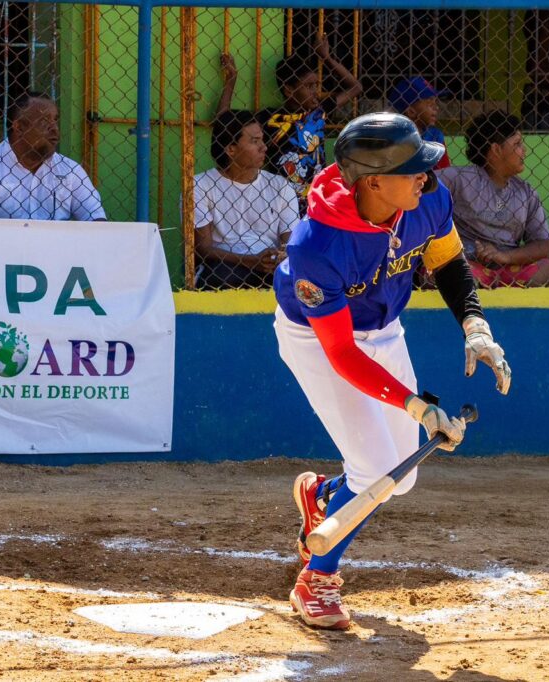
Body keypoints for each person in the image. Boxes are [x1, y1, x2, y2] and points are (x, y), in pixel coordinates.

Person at [273, 112, 512, 630]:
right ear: (373, 179)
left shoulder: (428, 199)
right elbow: (341, 355)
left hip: (384, 328)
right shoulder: (316, 243)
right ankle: (317, 580)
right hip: (318, 340)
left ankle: (323, 497)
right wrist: (419, 405)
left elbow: (448, 262)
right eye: (413, 168)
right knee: (375, 468)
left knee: (399, 477)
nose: (426, 176)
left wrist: (475, 325)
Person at [438, 111, 549, 287]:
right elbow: (422, 188)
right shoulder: (459, 179)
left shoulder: (526, 192)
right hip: (470, 263)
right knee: (444, 274)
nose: (524, 150)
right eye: (517, 144)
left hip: (512, 267)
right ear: (496, 149)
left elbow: (544, 245)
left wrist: (505, 257)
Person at [223, 36, 361, 214]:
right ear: (289, 90)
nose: (315, 92)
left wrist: (326, 57)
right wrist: (231, 80)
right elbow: (224, 121)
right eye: (309, 86)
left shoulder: (318, 112)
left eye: (316, 85)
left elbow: (355, 87)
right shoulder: (270, 118)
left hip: (319, 198)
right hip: (282, 201)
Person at [0, 92, 105, 221]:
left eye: (55, 120)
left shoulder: (69, 170)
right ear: (19, 127)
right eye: (44, 121)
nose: (55, 129)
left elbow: (96, 220)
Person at [191, 109, 298, 289]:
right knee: (220, 277)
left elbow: (290, 239)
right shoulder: (200, 186)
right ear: (231, 149)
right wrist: (250, 261)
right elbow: (204, 249)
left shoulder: (280, 186)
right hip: (226, 264)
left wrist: (281, 256)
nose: (263, 147)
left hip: (269, 264)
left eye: (262, 140)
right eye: (254, 141)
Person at [388, 76, 451, 170]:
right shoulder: (390, 137)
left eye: (435, 101)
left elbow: (443, 173)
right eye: (430, 103)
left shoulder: (434, 136)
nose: (436, 107)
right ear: (411, 112)